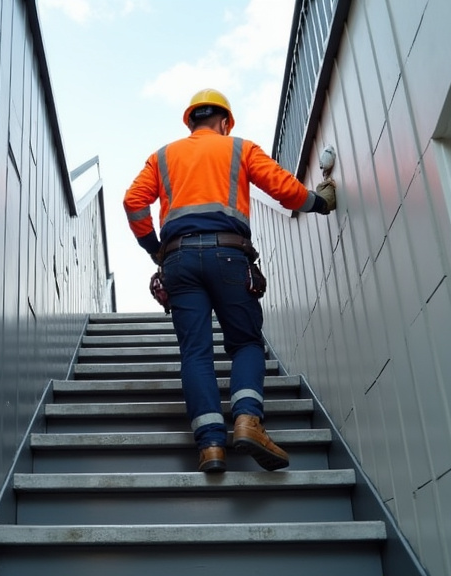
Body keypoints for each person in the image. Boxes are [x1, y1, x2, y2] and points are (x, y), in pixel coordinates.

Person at [123, 88, 336, 473]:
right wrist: (319, 202)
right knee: (246, 343)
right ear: (224, 122)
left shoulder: (163, 156)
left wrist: (155, 248)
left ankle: (210, 446)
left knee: (195, 352)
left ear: (191, 121)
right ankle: (247, 419)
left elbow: (133, 201)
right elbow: (284, 189)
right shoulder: (239, 148)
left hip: (179, 261)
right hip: (228, 254)